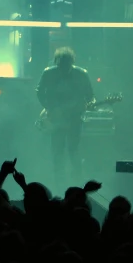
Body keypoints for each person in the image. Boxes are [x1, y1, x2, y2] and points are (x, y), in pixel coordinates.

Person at [36, 47, 94, 188]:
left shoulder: (81, 74)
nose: (63, 69)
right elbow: (39, 92)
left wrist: (90, 104)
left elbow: (90, 96)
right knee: (58, 151)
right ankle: (59, 184)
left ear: (71, 63)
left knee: (73, 149)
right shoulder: (48, 73)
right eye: (61, 66)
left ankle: (77, 183)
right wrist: (50, 109)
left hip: (75, 118)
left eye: (66, 66)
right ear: (57, 63)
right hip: (56, 120)